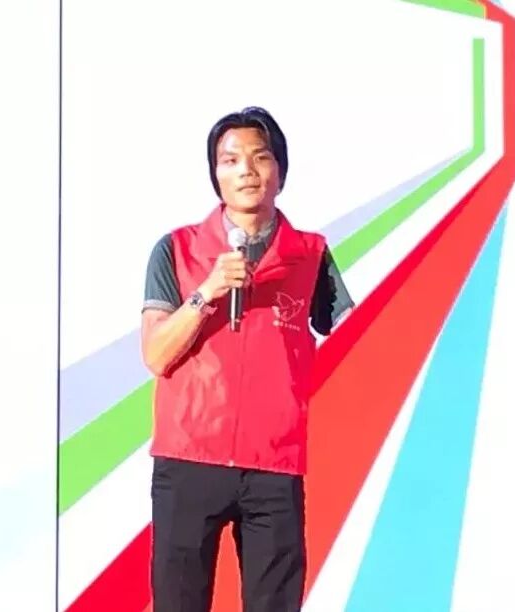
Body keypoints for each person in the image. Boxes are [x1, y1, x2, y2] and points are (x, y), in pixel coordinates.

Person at [140, 106, 354, 611]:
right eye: (230, 160)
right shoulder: (176, 250)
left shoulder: (310, 254)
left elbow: (346, 333)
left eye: (260, 157)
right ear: (215, 174)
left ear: (280, 170)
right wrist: (207, 292)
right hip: (189, 458)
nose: (246, 171)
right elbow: (156, 354)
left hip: (273, 465)